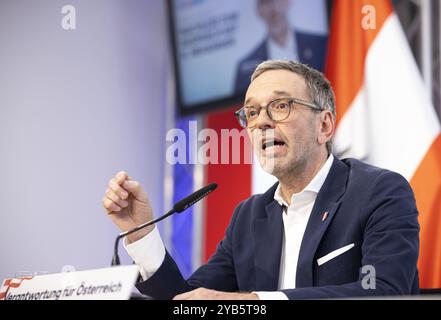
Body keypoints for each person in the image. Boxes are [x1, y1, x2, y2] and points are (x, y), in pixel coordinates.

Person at [102, 60, 420, 300]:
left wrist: (255, 302)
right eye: (251, 113)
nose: (262, 122)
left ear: (324, 126)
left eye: (281, 106)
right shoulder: (249, 216)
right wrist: (141, 232)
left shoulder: (380, 193)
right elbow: (186, 302)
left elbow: (385, 291)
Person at [234, 0, 327, 94]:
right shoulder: (245, 69)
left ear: (288, 2)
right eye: (266, 2)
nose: (275, 9)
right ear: (258, 10)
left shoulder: (321, 44)